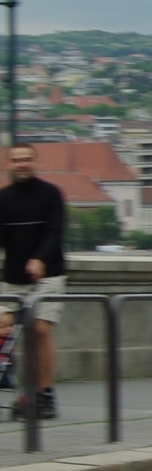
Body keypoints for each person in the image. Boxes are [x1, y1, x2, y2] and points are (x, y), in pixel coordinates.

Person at [0, 145, 66, 419]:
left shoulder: (50, 194)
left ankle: (45, 393)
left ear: (34, 161)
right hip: (14, 277)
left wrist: (39, 258)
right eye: (17, 160)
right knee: (5, 331)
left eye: (26, 159)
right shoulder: (3, 198)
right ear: (10, 164)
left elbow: (55, 232)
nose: (22, 164)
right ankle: (21, 392)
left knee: (40, 330)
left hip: (48, 274)